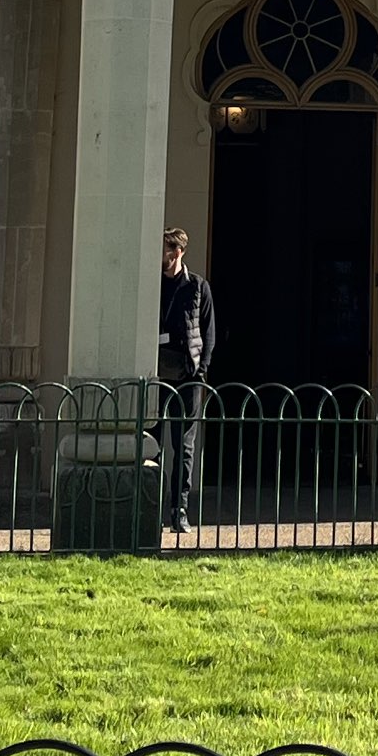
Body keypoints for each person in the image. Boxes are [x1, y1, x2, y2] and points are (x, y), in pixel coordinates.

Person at [156, 228, 215, 536]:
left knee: (184, 447)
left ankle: (179, 510)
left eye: (163, 249)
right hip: (155, 374)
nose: (158, 255)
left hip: (188, 376)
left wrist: (201, 371)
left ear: (176, 252)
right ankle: (150, 505)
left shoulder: (197, 287)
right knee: (150, 442)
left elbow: (209, 332)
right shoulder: (151, 285)